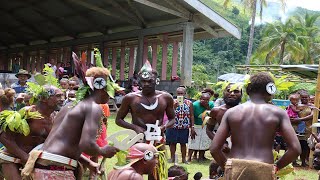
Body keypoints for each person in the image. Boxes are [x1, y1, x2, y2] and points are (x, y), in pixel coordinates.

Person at [21, 51, 120, 179]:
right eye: (111, 90)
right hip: (56, 169)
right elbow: (87, 145)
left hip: (41, 166)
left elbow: (64, 143)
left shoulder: (68, 106)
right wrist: (103, 151)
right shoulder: (93, 107)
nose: (112, 95)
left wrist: (88, 162)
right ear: (101, 87)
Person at [210, 72, 301, 180]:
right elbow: (295, 149)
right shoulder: (278, 113)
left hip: (235, 165)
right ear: (270, 91)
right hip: (264, 166)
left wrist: (227, 167)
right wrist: (276, 167)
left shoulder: (231, 112)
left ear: (247, 90)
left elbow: (214, 149)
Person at [0, 85, 64, 180]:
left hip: (34, 162)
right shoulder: (27, 112)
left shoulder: (55, 117)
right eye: (58, 96)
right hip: (12, 158)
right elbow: (4, 137)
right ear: (43, 98)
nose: (62, 99)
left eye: (62, 96)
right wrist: (25, 157)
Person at [116, 60, 175, 137]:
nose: (146, 84)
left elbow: (172, 119)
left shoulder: (166, 97)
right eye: (143, 81)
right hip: (137, 138)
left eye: (150, 81)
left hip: (157, 138)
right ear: (139, 82)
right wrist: (135, 127)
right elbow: (118, 120)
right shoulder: (130, 98)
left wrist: (163, 127)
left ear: (156, 81)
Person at [166, 87, 196, 164]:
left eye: (181, 93)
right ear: (176, 94)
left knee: (183, 143)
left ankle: (183, 159)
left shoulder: (189, 103)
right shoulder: (172, 102)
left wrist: (192, 126)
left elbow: (192, 115)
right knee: (173, 143)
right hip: (173, 126)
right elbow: (168, 114)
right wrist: (174, 107)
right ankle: (172, 158)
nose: (180, 95)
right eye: (178, 93)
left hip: (184, 126)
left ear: (185, 94)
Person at [188, 92, 213, 162]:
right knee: (193, 141)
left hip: (205, 126)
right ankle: (189, 157)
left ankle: (201, 157)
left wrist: (207, 107)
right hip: (196, 125)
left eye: (207, 100)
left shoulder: (211, 104)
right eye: (203, 99)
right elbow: (192, 115)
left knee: (203, 142)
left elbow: (212, 114)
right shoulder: (194, 104)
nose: (205, 101)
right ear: (200, 99)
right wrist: (192, 127)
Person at [291, 91, 314, 167]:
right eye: (302, 97)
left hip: (308, 129)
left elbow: (312, 116)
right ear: (300, 98)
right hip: (296, 128)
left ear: (308, 98)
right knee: (296, 145)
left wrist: (300, 119)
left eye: (306, 97)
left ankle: (303, 161)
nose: (304, 98)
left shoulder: (312, 106)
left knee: (305, 146)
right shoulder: (296, 105)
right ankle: (294, 161)